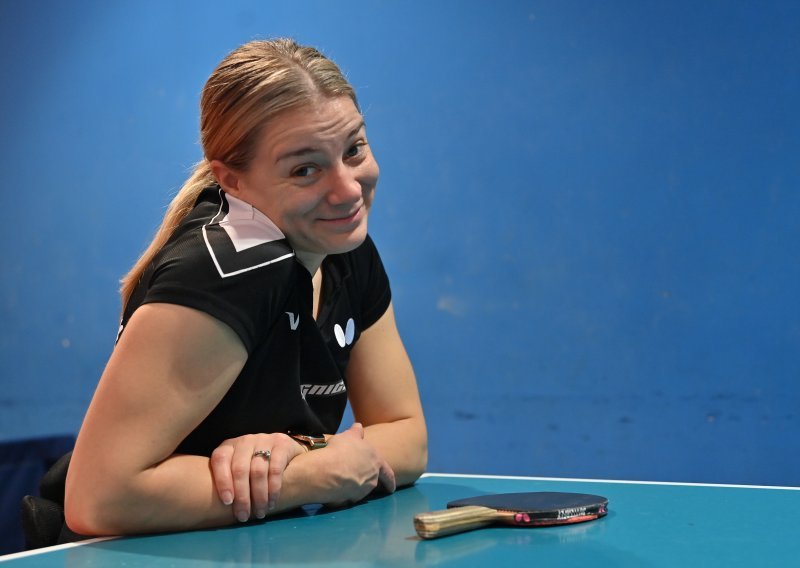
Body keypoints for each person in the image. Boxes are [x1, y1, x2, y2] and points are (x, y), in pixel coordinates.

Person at [64, 38, 427, 536]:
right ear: (232, 180)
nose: (347, 190)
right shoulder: (229, 272)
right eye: (305, 169)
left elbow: (408, 435)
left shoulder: (345, 251)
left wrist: (303, 448)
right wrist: (304, 478)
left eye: (354, 149)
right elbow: (99, 498)